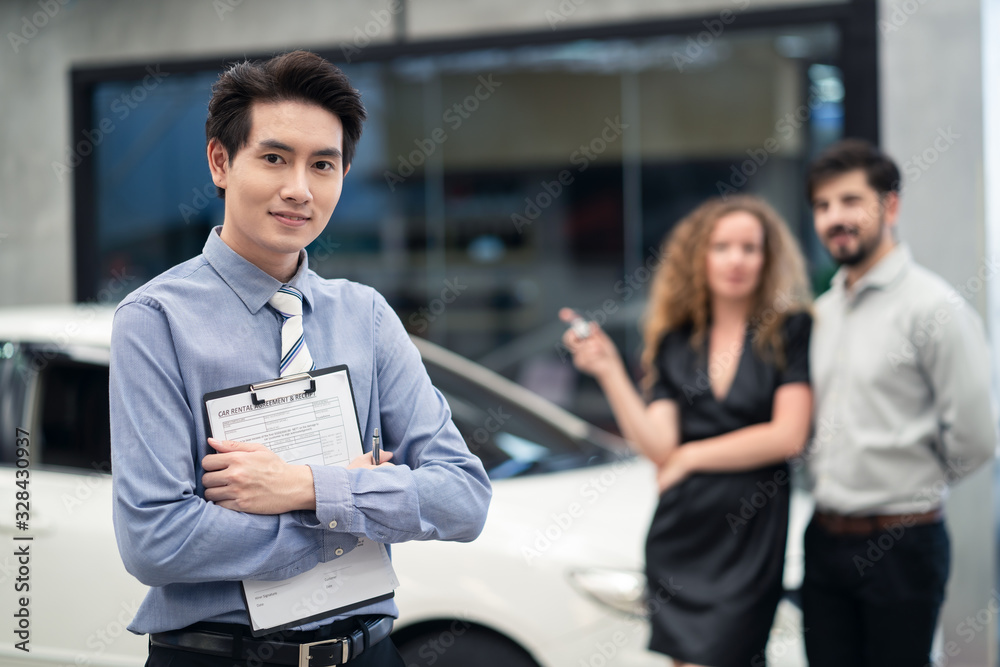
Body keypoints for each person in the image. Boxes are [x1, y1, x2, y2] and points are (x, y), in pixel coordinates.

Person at [109, 50, 491, 667]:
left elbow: (464, 498)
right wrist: (358, 503)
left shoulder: (365, 315)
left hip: (366, 652)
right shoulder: (155, 322)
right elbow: (156, 541)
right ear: (220, 162)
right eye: (274, 158)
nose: (298, 189)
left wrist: (306, 487)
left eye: (323, 165)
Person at [561, 194, 813, 667]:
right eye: (722, 247)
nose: (736, 259)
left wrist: (692, 457)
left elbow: (788, 435)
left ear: (768, 258)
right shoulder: (676, 341)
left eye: (749, 248)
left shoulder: (790, 330)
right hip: (683, 536)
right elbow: (660, 447)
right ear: (700, 257)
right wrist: (610, 370)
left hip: (752, 536)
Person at [802, 139, 996, 666]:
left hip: (902, 544)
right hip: (823, 542)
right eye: (822, 206)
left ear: (890, 205)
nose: (834, 218)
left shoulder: (935, 307)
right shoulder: (821, 315)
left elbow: (979, 437)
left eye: (849, 201)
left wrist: (912, 479)